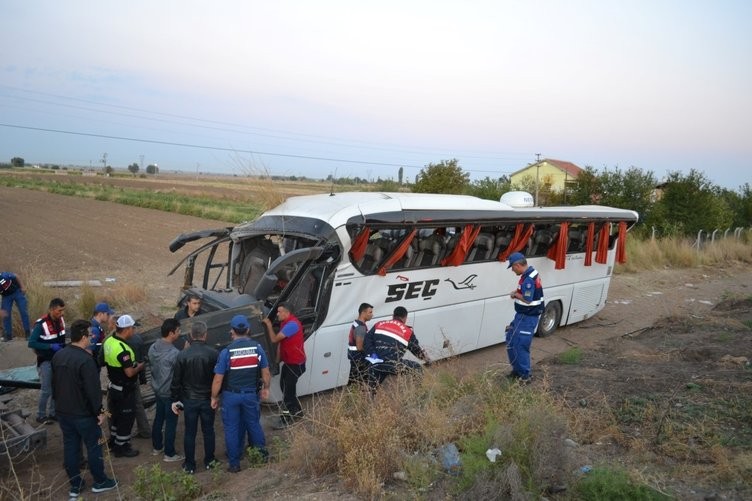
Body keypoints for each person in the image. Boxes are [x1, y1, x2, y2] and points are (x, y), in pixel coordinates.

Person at [51, 319, 118, 497]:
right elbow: (93, 391)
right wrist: (99, 412)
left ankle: (75, 484)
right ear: (82, 337)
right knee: (94, 446)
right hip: (83, 414)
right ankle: (100, 481)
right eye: (90, 335)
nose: (92, 337)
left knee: (71, 447)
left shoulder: (58, 356)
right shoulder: (86, 360)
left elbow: (54, 385)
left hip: (64, 412)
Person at [211, 315, 271, 473]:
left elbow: (218, 379)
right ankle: (262, 457)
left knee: (231, 428)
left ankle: (234, 464)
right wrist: (266, 388)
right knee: (253, 424)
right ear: (248, 330)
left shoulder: (226, 352)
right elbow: (266, 372)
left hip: (231, 396)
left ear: (232, 331)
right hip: (251, 394)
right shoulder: (257, 348)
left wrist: (214, 397)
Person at [171, 321, 219, 474]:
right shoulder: (213, 353)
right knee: (209, 431)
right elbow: (218, 378)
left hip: (189, 400)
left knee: (190, 432)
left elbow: (176, 381)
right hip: (207, 399)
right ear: (205, 335)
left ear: (191, 335)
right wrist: (216, 396)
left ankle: (190, 464)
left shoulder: (182, 355)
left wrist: (175, 399)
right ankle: (210, 461)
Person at [103, 314, 145, 457]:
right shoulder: (123, 349)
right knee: (126, 418)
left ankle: (114, 441)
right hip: (124, 389)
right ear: (126, 329)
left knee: (115, 417)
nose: (133, 331)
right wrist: (139, 366)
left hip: (113, 386)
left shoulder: (109, 342)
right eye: (132, 328)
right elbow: (129, 372)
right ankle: (122, 447)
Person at [363, 306, 431, 389]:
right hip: (393, 364)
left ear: (393, 316)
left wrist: (373, 356)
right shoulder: (408, 331)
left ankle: (368, 397)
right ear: (405, 318)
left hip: (376, 361)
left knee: (371, 389)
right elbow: (416, 350)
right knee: (417, 368)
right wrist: (426, 359)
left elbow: (366, 340)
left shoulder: (379, 324)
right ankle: (416, 396)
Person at [262, 303, 306, 428]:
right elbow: (281, 345)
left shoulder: (292, 325)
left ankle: (286, 418)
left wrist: (269, 325)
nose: (277, 314)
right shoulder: (285, 323)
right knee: (285, 388)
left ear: (286, 313)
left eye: (279, 311)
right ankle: (297, 411)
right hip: (289, 363)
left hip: (296, 364)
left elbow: (274, 340)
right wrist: (276, 362)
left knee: (287, 392)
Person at [505, 252, 545, 383]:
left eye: (512, 267)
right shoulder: (529, 274)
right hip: (521, 316)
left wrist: (515, 295)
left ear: (517, 265)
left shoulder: (528, 279)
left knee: (521, 345)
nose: (512, 270)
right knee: (510, 340)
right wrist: (517, 293)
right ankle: (517, 370)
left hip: (527, 317)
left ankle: (524, 376)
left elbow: (527, 299)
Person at [148, 318, 183, 462]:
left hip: (157, 389)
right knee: (171, 423)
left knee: (158, 419)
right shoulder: (174, 353)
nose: (180, 333)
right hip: (169, 393)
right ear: (171, 333)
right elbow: (179, 373)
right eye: (178, 330)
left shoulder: (153, 347)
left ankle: (157, 447)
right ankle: (169, 453)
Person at [27, 297, 66, 424]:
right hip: (45, 361)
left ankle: (53, 413)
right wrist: (50, 346)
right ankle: (41, 415)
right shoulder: (41, 324)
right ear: (52, 309)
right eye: (59, 311)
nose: (62, 313)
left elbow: (62, 338)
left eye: (62, 311)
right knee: (46, 389)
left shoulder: (61, 321)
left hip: (57, 360)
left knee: (56, 388)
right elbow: (31, 343)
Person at [126, 327, 152, 439]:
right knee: (137, 404)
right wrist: (143, 379)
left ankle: (120, 433)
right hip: (134, 376)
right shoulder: (137, 339)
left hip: (121, 377)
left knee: (119, 406)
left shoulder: (113, 341)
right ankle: (144, 430)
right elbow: (141, 359)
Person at [347, 302, 374, 385]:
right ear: (363, 313)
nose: (372, 315)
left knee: (353, 380)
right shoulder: (361, 328)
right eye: (370, 312)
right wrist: (371, 353)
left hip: (354, 357)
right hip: (359, 359)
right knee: (359, 382)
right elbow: (359, 347)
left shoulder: (356, 323)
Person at [0, 271, 31, 341]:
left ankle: (28, 333)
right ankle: (8, 335)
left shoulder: (4, 276)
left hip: (17, 292)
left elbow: (16, 276)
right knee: (5, 314)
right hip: (6, 296)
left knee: (23, 311)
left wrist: (22, 287)